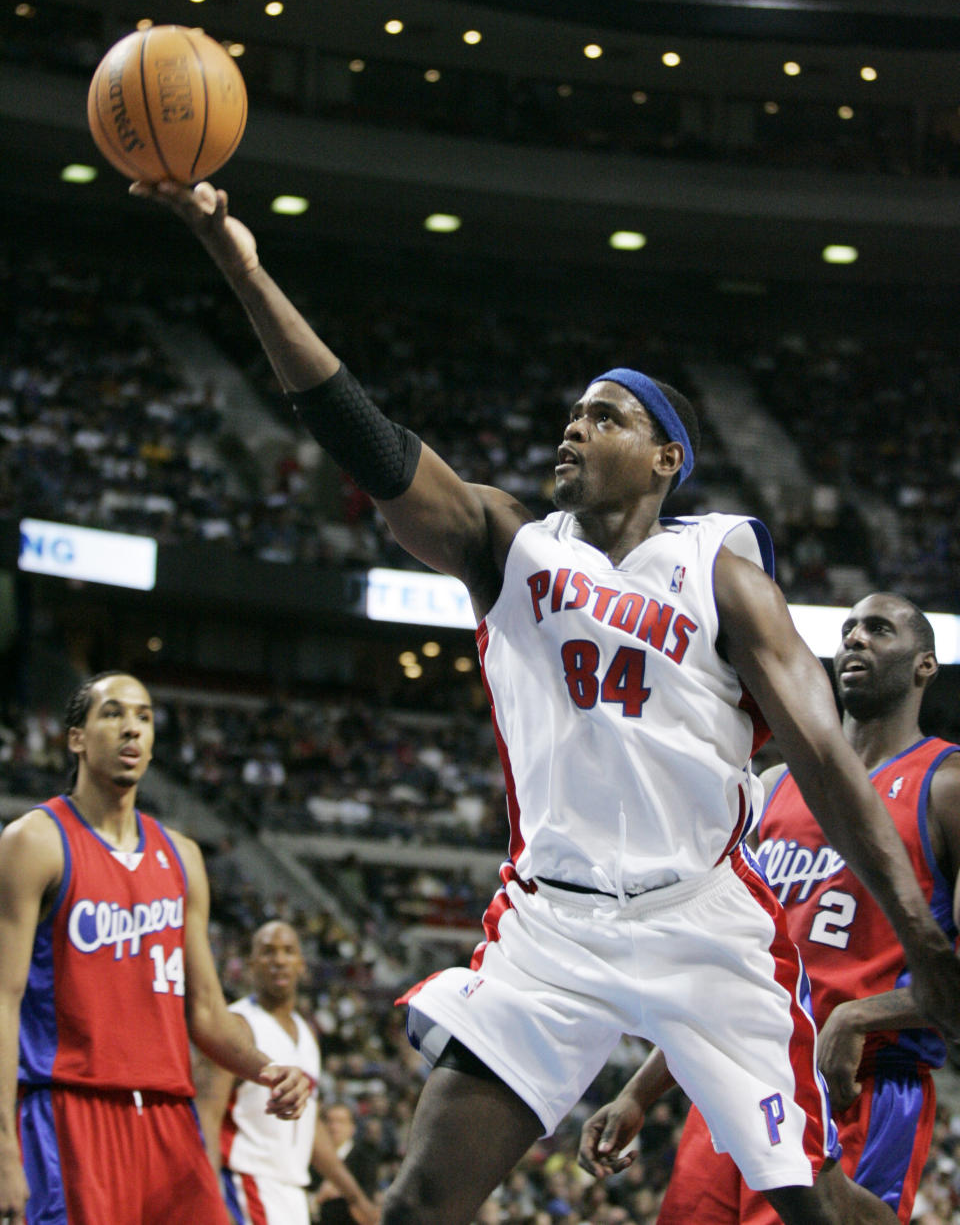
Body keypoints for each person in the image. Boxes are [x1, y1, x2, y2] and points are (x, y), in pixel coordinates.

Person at [134, 178, 960, 1225]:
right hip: (551, 924)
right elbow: (368, 437)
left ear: (667, 458)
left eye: (604, 415)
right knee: (420, 1198)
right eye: (570, 411)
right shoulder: (513, 546)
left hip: (700, 921)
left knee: (813, 1199)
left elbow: (829, 765)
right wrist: (241, 267)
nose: (573, 426)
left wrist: (922, 936)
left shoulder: (720, 571)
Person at [578, 591, 960, 1224]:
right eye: (848, 630)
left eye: (879, 629)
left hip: (856, 1086)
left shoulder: (945, 785)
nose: (855, 640)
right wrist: (639, 1091)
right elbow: (728, 966)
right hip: (737, 1079)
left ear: (925, 665)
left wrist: (860, 1017)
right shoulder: (779, 784)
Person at [0, 672, 313, 1225]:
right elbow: (3, 1001)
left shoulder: (183, 857)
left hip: (169, 1119)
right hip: (71, 1111)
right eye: (113, 713)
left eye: (144, 717)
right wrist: (4, 1145)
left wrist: (268, 1069)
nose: (132, 730)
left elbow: (209, 1014)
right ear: (76, 737)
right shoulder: (34, 842)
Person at [194, 919, 378, 1225]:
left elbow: (309, 1126)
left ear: (302, 965)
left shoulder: (307, 1035)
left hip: (289, 1192)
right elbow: (205, 1118)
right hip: (245, 1182)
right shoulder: (236, 1026)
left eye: (288, 951)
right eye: (268, 952)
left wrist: (356, 1196)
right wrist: (212, 1198)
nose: (279, 960)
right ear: (251, 964)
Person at [316, 1102, 382, 1224]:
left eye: (340, 1122)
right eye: (329, 1121)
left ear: (352, 1127)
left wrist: (344, 1190)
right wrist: (318, 1197)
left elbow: (367, 1200)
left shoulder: (365, 1159)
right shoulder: (312, 1159)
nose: (334, 1127)